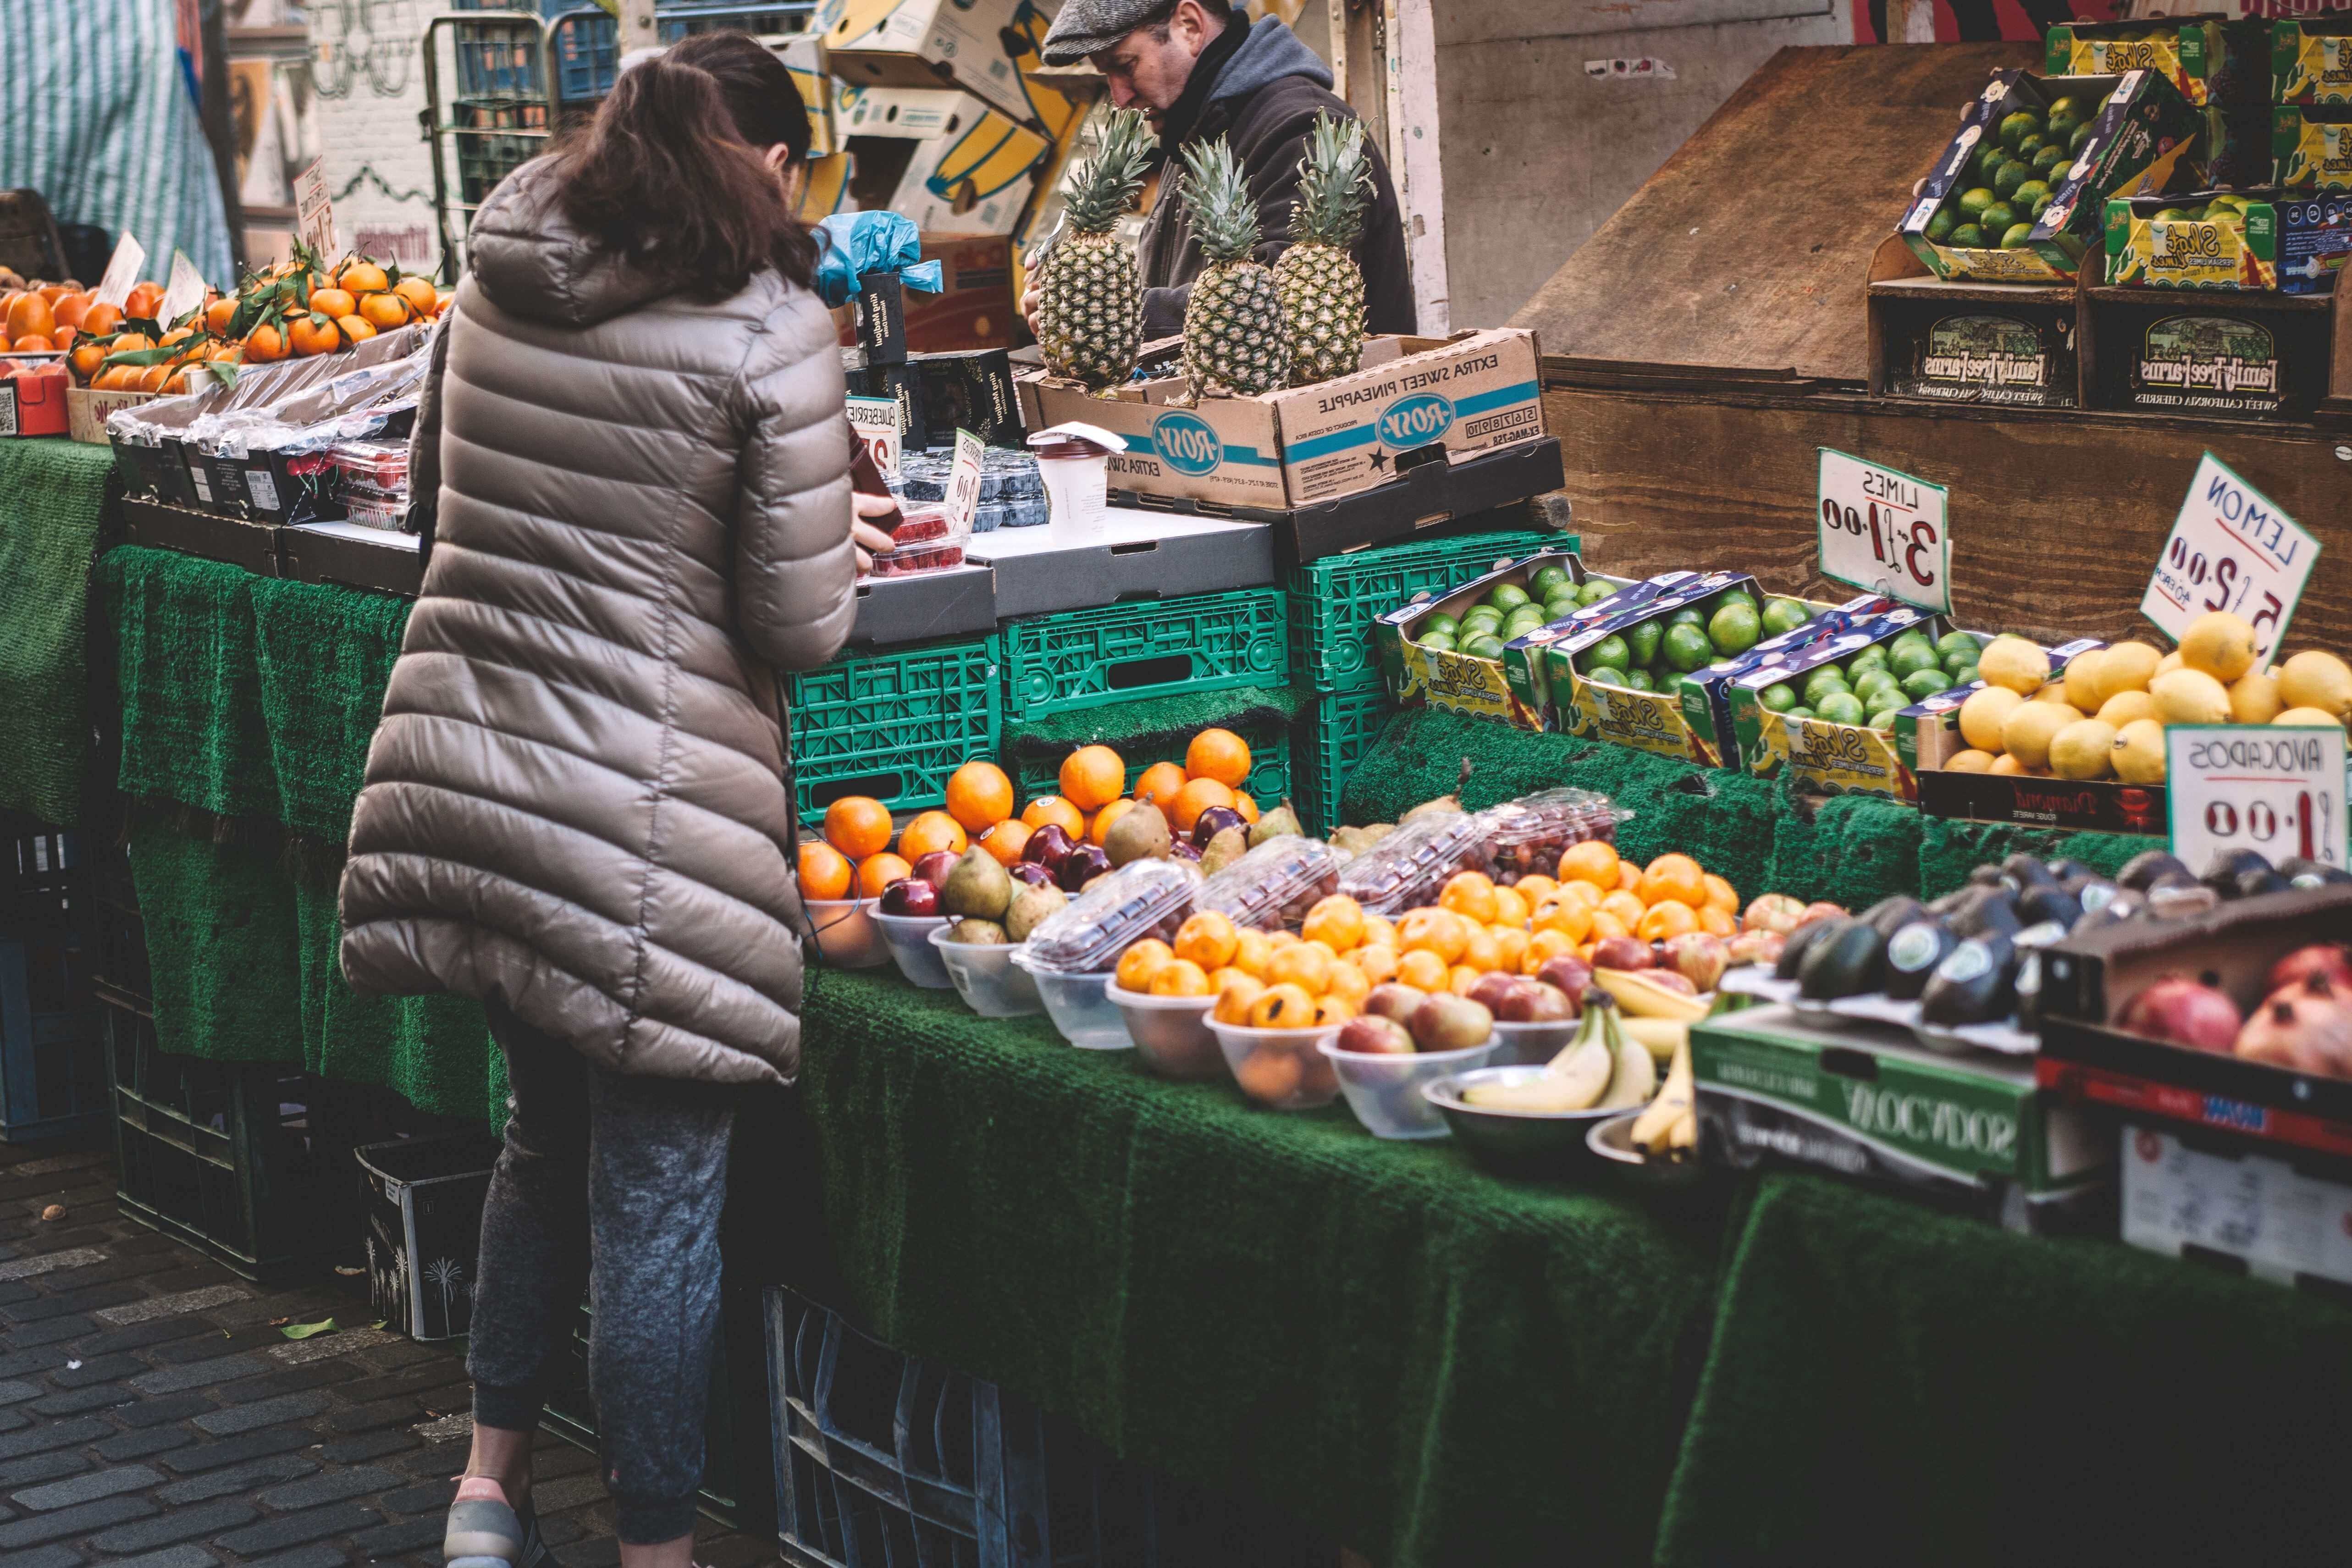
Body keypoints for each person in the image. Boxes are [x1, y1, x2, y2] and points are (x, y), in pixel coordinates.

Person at [339, 33, 892, 1568]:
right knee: (656, 1206)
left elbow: (437, 515)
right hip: (645, 825)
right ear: (758, 164)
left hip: (476, 785)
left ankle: (488, 1490)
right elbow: (800, 627)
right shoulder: (774, 327)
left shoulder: (492, 280)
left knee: (543, 1146)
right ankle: (656, 1549)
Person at [1024, 0, 1414, 343]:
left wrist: (1111, 313)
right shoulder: (1195, 128)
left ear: (1191, 26)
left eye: (1126, 67)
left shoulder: (1303, 127)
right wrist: (1080, 291)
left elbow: (1288, 298)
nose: (1119, 96)